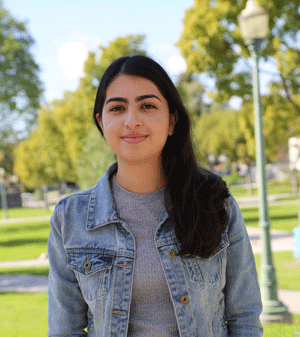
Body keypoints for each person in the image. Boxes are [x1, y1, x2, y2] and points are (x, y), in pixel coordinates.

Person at [47, 55, 263, 337]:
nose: (132, 120)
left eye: (147, 106)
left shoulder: (215, 203)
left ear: (172, 120)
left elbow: (244, 318)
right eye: (117, 108)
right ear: (101, 123)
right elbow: (65, 330)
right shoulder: (70, 218)